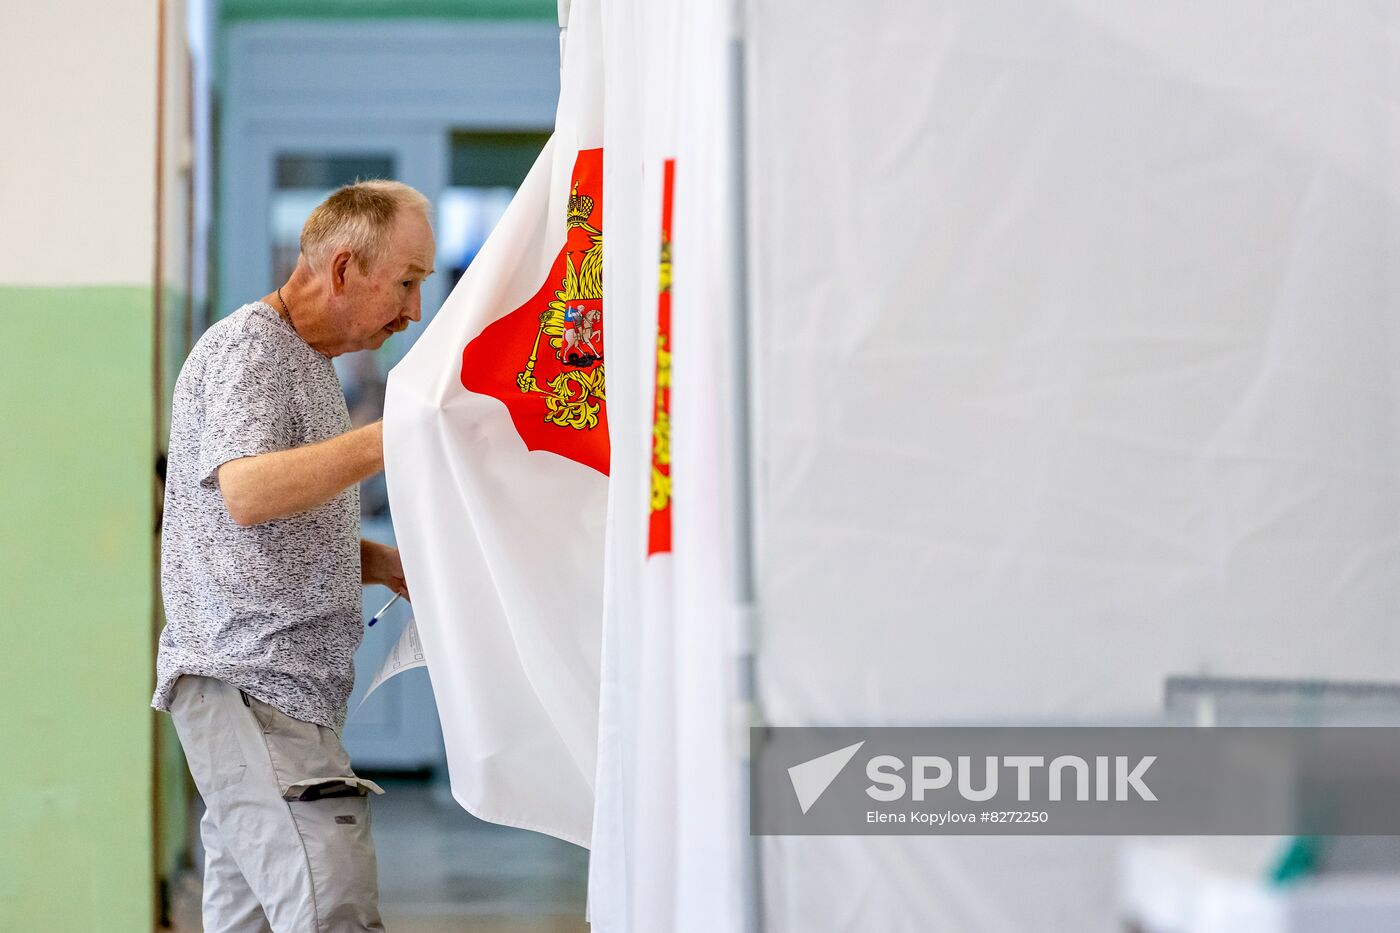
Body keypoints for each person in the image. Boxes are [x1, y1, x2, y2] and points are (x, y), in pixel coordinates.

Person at [152, 180, 435, 932]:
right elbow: (246, 491)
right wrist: (390, 437)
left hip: (272, 696)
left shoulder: (307, 363)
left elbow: (267, 526)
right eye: (406, 282)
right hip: (253, 688)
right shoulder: (253, 350)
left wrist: (381, 563)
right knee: (330, 911)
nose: (413, 310)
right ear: (343, 269)